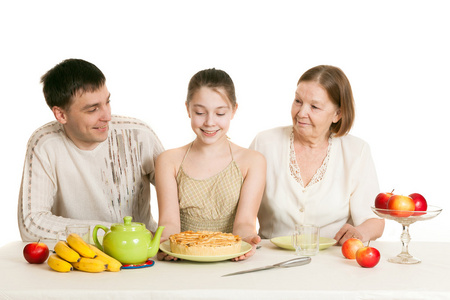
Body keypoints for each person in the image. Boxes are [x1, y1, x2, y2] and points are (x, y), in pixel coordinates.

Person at [18, 58, 165, 242]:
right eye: (93, 109)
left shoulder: (138, 135)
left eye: (107, 102)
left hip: (143, 253)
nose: (107, 116)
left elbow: (181, 194)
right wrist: (116, 234)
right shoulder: (44, 143)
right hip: (80, 261)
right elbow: (32, 224)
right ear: (61, 114)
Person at [250, 65, 384, 245]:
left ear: (338, 114)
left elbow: (374, 221)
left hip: (332, 262)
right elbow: (237, 206)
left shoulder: (356, 151)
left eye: (314, 106)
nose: (301, 113)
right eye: (298, 101)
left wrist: (359, 232)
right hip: (272, 258)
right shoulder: (265, 143)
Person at [155, 68, 266, 260]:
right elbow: (169, 222)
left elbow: (245, 222)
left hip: (230, 258)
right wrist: (165, 243)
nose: (209, 122)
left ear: (233, 110)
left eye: (220, 113)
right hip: (183, 260)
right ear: (187, 108)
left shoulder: (252, 161)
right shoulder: (168, 161)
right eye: (200, 112)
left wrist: (247, 239)